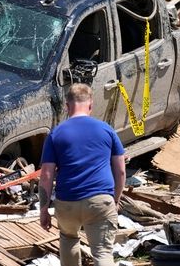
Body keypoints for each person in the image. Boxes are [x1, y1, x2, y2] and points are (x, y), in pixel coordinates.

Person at [39, 83, 126, 266]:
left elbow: (46, 175)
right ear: (91, 105)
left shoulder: (55, 134)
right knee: (102, 253)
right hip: (99, 201)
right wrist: (115, 199)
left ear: (67, 106)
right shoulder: (107, 130)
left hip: (67, 202)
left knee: (68, 239)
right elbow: (121, 170)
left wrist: (44, 209)